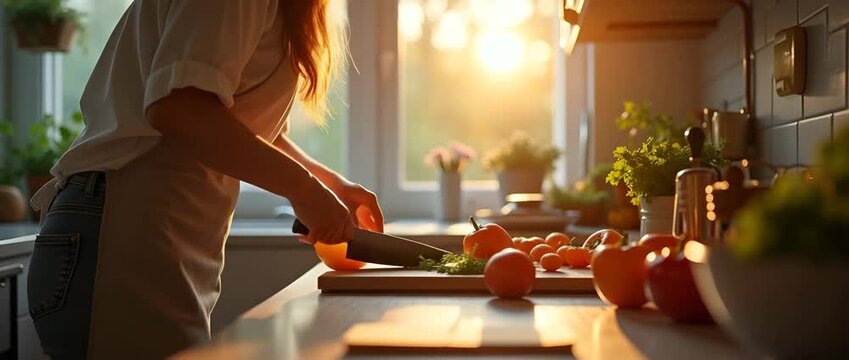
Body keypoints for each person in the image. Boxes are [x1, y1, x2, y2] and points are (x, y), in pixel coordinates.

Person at [26, 0, 382, 358]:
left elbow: (238, 122)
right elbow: (180, 107)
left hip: (147, 238)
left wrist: (329, 186)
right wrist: (304, 189)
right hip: (118, 235)